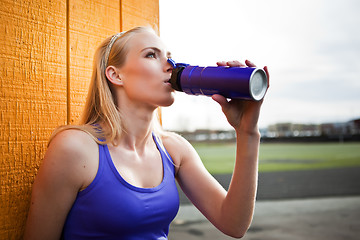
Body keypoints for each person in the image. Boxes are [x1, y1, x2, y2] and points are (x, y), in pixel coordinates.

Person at [24, 26, 269, 239]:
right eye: (151, 54)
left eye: (170, 57)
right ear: (115, 75)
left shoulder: (174, 149)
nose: (170, 66)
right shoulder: (75, 148)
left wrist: (247, 132)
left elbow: (234, 224)